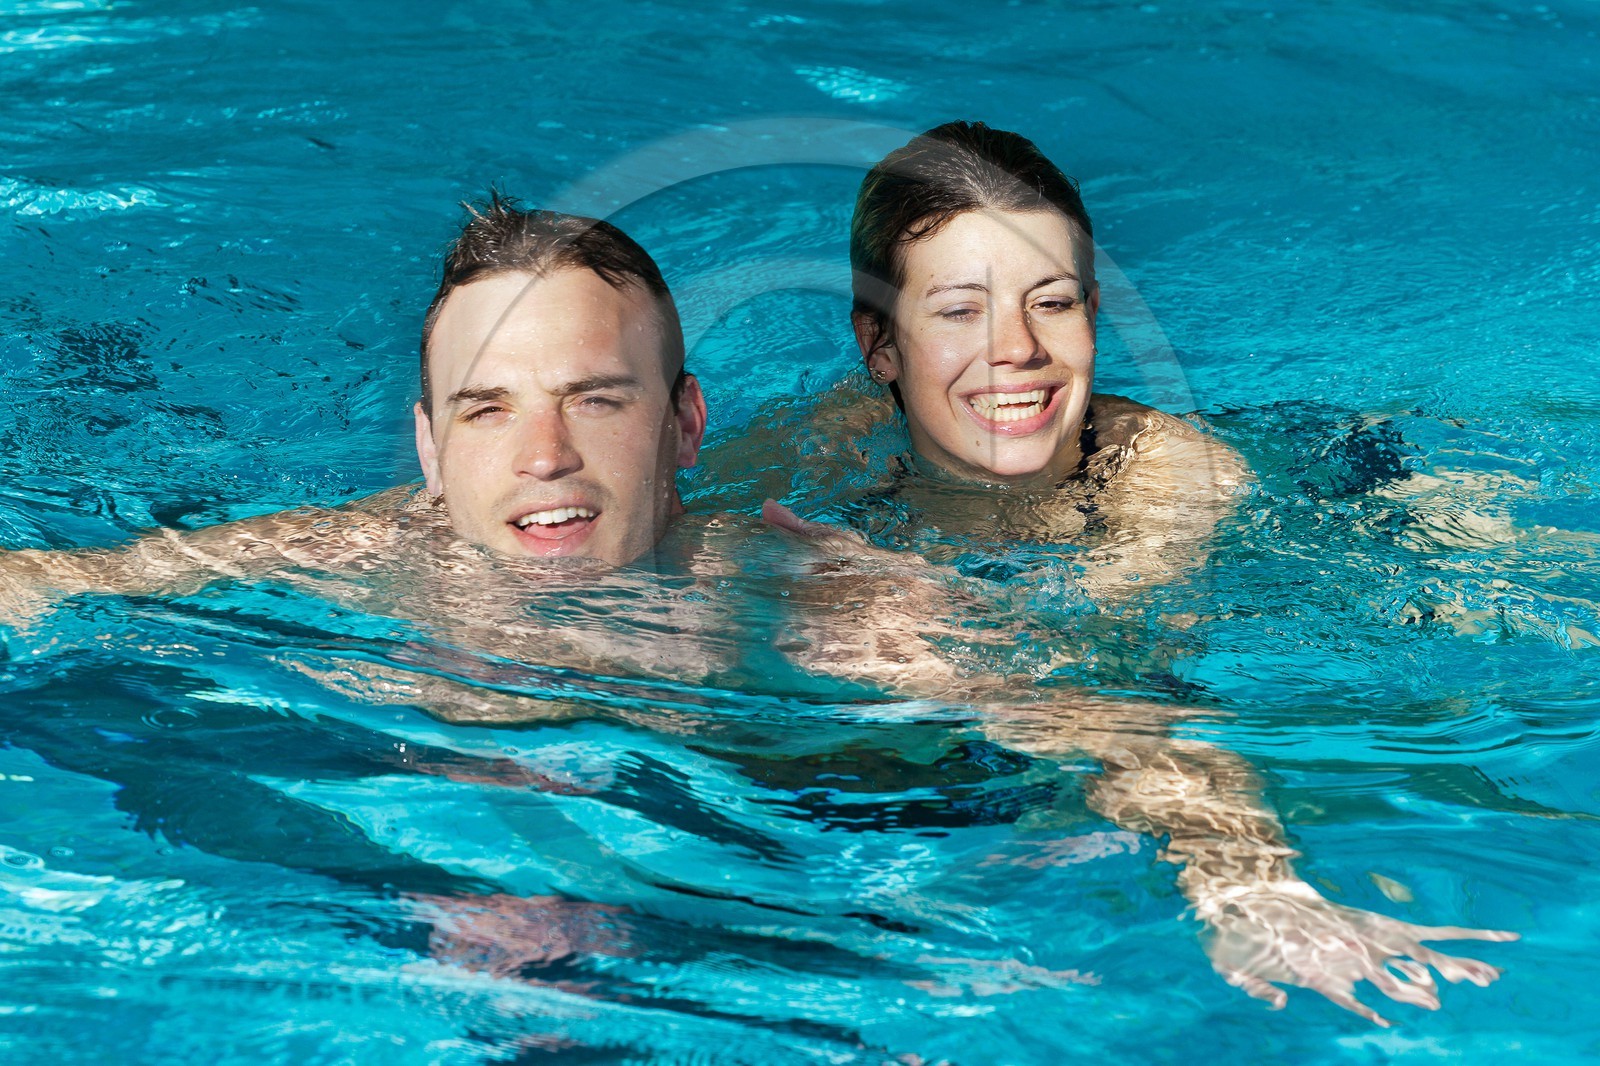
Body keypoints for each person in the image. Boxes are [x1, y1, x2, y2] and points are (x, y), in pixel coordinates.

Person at [0, 195, 1513, 1027]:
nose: (541, 460)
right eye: (487, 411)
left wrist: (1250, 884)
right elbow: (52, 583)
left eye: (597, 400)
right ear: (423, 445)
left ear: (684, 422)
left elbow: (1109, 721)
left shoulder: (807, 599)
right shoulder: (368, 550)